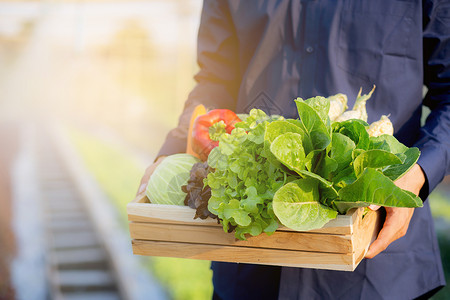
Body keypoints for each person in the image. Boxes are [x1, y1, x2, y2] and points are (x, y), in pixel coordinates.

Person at [138, 0, 449, 299]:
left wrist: (417, 174)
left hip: (376, 273)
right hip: (249, 258)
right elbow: (215, 80)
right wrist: (172, 152)